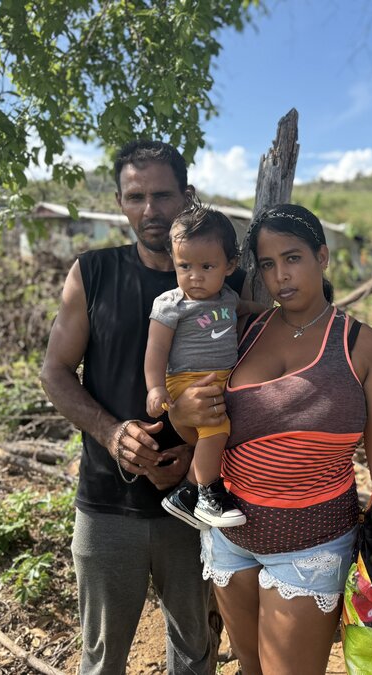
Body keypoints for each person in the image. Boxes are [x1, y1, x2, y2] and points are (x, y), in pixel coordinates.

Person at [199, 204, 372, 675]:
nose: (280, 275)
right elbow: (201, 421)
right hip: (231, 539)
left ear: (322, 256)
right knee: (251, 669)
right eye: (267, 264)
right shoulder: (242, 332)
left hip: (312, 546)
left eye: (293, 257)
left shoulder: (362, 347)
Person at [40, 140, 233, 675]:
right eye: (135, 196)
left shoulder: (223, 283)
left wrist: (193, 457)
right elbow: (55, 372)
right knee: (102, 659)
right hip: (107, 503)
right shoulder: (92, 274)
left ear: (186, 196)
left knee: (196, 652)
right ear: (121, 201)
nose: (151, 210)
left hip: (196, 507)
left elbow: (256, 386)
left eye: (163, 195)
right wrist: (111, 433)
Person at [144, 203, 255, 528]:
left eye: (207, 266)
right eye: (185, 266)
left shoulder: (227, 298)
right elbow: (156, 349)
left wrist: (269, 310)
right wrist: (155, 387)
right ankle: (209, 495)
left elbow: (243, 307)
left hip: (223, 378)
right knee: (216, 428)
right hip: (188, 381)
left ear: (229, 265)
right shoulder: (171, 304)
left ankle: (185, 495)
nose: (194, 276)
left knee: (224, 432)